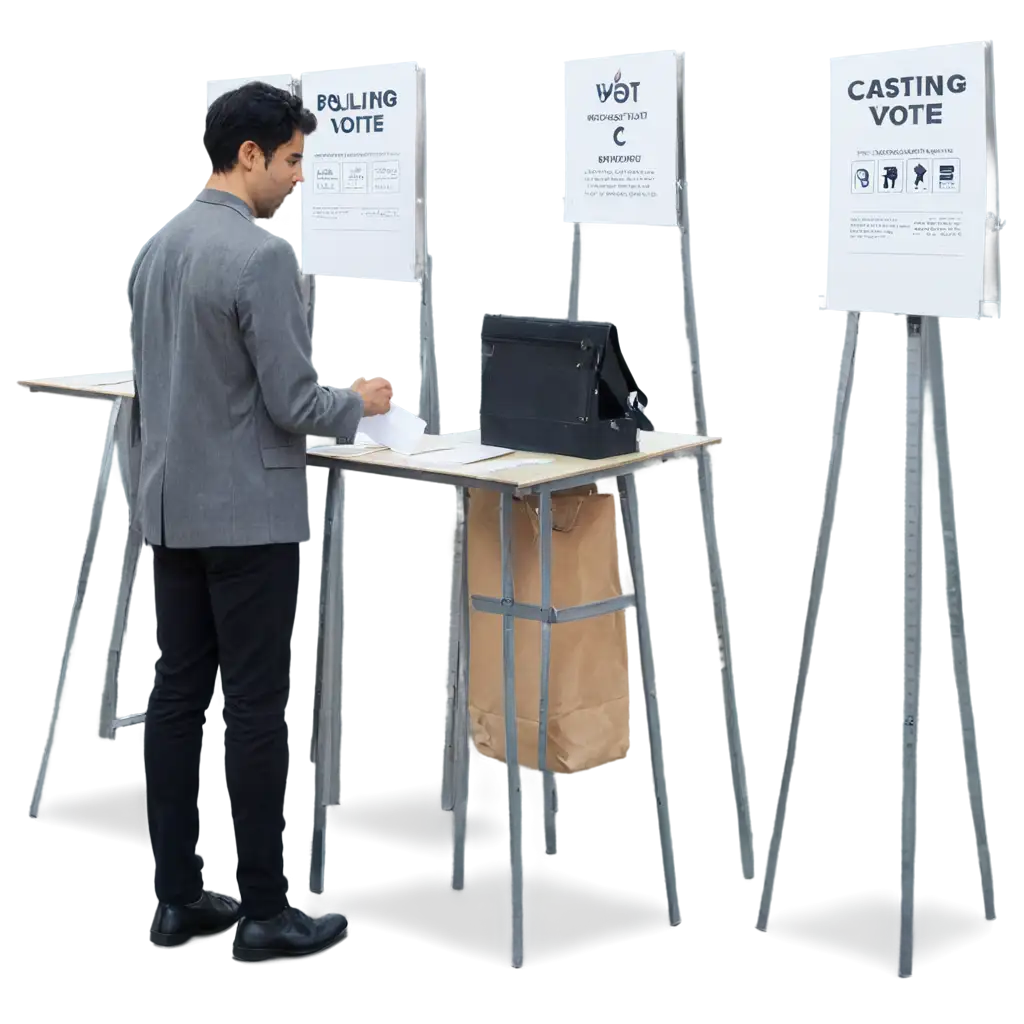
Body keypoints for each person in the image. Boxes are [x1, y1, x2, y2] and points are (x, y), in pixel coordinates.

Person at [126, 80, 394, 966]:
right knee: (252, 710)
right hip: (247, 515)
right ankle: (268, 912)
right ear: (250, 157)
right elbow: (290, 399)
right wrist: (356, 398)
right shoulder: (260, 257)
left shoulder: (157, 244)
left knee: (175, 700)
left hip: (170, 507)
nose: (300, 179)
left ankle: (176, 896)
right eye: (292, 160)